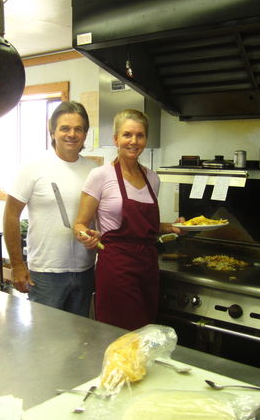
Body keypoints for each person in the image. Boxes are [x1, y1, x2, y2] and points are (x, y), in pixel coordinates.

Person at [73, 109, 184, 330]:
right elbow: (79, 224)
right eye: (127, 135)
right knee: (119, 335)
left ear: (146, 139)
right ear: (116, 139)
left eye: (140, 135)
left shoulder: (152, 178)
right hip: (117, 267)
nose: (134, 141)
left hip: (147, 267)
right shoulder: (101, 176)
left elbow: (147, 228)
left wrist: (172, 226)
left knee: (145, 334)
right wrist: (87, 236)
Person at [3, 101, 98, 317]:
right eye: (65, 128)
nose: (72, 134)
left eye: (78, 129)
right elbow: (11, 215)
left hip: (85, 270)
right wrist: (17, 265)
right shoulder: (34, 167)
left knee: (78, 339)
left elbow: (99, 218)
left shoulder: (94, 171)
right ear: (52, 131)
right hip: (46, 273)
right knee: (45, 341)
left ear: (85, 134)